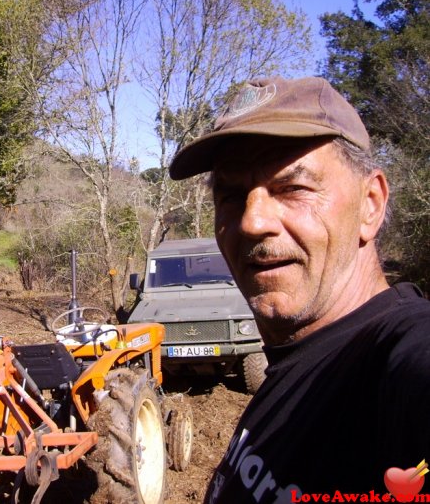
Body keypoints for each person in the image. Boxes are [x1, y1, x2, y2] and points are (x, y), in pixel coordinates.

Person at [169, 76, 430, 502]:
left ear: (371, 205)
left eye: (293, 188)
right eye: (232, 196)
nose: (252, 222)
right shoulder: (295, 362)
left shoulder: (396, 360)